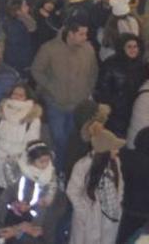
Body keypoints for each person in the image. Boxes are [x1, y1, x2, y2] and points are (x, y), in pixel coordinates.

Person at [31, 19, 98, 170]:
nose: (85, 37)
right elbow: (36, 70)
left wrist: (88, 90)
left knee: (72, 140)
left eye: (86, 33)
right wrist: (51, 87)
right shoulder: (49, 49)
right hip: (56, 104)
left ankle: (68, 168)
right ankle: (60, 169)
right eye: (81, 34)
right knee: (59, 139)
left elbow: (93, 72)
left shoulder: (88, 49)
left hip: (78, 105)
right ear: (70, 34)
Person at [67, 128, 125, 244]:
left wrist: (117, 203)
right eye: (114, 148)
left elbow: (120, 186)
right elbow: (72, 191)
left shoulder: (116, 162)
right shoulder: (83, 165)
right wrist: (83, 212)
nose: (117, 151)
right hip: (89, 217)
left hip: (110, 216)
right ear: (104, 151)